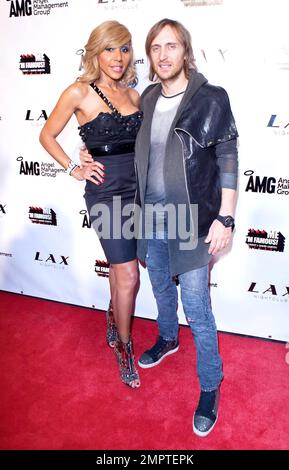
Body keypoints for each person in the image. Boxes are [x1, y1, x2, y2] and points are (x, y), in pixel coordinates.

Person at [80, 18, 238, 436]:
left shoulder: (211, 98)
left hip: (192, 218)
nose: (164, 55)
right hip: (148, 213)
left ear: (186, 51)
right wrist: (83, 154)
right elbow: (111, 136)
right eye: (156, 47)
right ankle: (167, 337)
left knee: (199, 307)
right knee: (160, 287)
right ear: (149, 56)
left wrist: (225, 217)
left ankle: (210, 385)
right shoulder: (146, 97)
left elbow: (227, 160)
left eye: (172, 46)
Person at [39, 21, 143, 389]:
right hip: (106, 193)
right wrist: (74, 167)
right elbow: (46, 135)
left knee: (122, 268)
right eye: (110, 49)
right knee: (130, 273)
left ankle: (115, 319)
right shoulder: (79, 92)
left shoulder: (135, 96)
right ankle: (125, 348)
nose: (118, 57)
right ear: (95, 52)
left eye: (124, 49)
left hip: (139, 193)